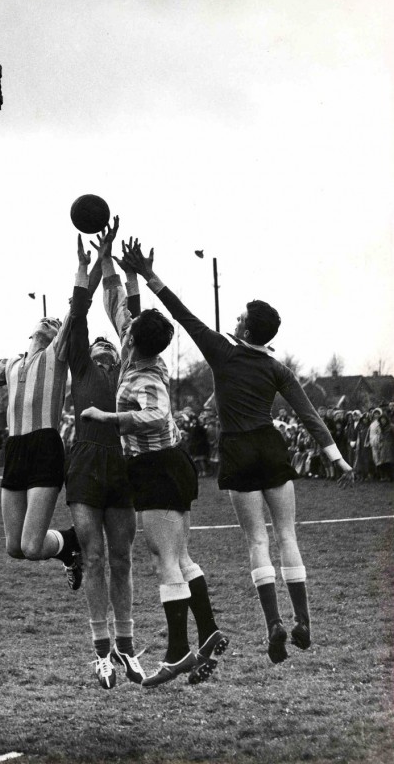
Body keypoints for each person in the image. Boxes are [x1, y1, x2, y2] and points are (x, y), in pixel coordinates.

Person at [121, 239, 355, 664]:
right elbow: (307, 414)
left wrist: (148, 275)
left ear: (245, 330)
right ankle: (302, 618)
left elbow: (181, 314)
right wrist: (336, 457)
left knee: (256, 540)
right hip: (271, 446)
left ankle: (273, 624)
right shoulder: (276, 367)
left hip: (238, 451)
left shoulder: (223, 352)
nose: (234, 319)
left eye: (240, 317)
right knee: (288, 535)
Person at [81, 234, 228, 689]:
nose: (124, 323)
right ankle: (210, 633)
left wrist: (108, 416)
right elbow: (117, 306)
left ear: (134, 340)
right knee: (180, 558)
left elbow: (156, 414)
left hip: (158, 468)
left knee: (165, 559)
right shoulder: (136, 347)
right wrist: (117, 269)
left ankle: (177, 651)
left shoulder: (146, 376)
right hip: (172, 466)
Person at [65, 229, 145, 688]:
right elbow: (79, 318)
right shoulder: (81, 367)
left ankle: (128, 647)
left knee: (122, 558)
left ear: (120, 353)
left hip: (123, 464)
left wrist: (122, 270)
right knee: (93, 557)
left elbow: (134, 322)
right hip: (85, 463)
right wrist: (86, 271)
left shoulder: (131, 370)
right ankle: (101, 652)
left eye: (109, 345)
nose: (101, 345)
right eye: (96, 345)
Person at [0, 304, 82, 589]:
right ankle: (67, 545)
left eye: (57, 322)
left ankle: (72, 542)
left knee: (32, 547)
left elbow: (76, 309)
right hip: (15, 449)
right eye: (46, 319)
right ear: (32, 330)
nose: (50, 321)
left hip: (45, 447)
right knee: (14, 547)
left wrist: (85, 272)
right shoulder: (11, 363)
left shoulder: (57, 355)